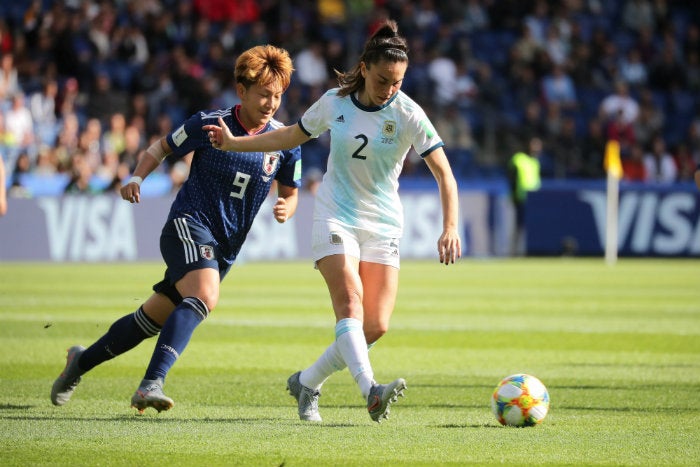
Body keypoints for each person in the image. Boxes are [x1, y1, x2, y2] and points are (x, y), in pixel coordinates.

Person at [204, 20, 462, 423]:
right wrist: (237, 143)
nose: (389, 89)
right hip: (335, 215)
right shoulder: (334, 103)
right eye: (383, 79)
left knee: (375, 326)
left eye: (397, 82)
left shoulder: (409, 113)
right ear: (364, 68)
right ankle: (371, 391)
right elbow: (289, 137)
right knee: (351, 306)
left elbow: (445, 173)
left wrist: (450, 227)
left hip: (383, 225)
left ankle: (307, 381)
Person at [50, 45, 301, 413]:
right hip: (188, 226)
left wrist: (286, 208)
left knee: (147, 321)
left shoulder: (284, 141)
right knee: (205, 294)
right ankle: (150, 385)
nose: (270, 102)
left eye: (277, 95)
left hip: (224, 249)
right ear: (242, 90)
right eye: (264, 93)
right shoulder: (211, 123)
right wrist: (136, 176)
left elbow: (291, 194)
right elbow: (161, 147)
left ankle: (79, 362)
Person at [508, 136, 542, 256]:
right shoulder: (518, 159)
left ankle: (528, 251)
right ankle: (514, 251)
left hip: (533, 200)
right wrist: (513, 196)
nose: (537, 148)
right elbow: (511, 178)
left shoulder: (536, 162)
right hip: (520, 199)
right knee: (518, 226)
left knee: (530, 226)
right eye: (534, 145)